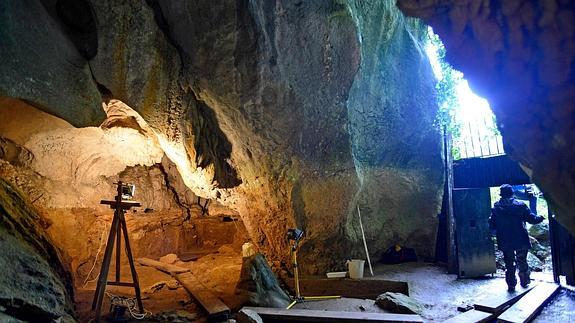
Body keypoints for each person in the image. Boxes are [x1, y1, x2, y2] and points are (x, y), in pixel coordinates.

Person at [489, 184, 544, 291]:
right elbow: (532, 219)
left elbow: (491, 225)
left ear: (501, 195)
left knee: (509, 263)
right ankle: (524, 281)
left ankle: (511, 284)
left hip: (505, 240)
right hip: (521, 239)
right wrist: (540, 218)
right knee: (522, 260)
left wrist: (495, 233)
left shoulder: (496, 208)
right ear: (512, 193)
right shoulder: (521, 205)